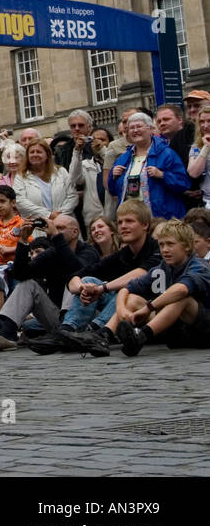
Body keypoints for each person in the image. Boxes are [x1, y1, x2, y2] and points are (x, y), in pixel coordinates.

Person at [47, 200, 161, 355]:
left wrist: (103, 288)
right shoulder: (124, 254)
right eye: (120, 222)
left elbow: (142, 274)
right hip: (126, 313)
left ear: (145, 225)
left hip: (151, 312)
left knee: (126, 290)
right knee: (88, 280)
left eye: (129, 221)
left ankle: (96, 332)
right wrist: (84, 288)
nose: (123, 226)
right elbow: (77, 275)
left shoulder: (157, 248)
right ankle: (66, 331)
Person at [0, 214, 89, 352]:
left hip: (82, 319)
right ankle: (6, 334)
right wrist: (23, 240)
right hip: (57, 318)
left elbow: (77, 269)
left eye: (60, 228)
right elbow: (21, 274)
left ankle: (67, 331)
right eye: (53, 227)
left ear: (75, 232)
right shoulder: (52, 254)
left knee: (75, 280)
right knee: (27, 285)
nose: (54, 231)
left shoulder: (87, 251)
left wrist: (56, 237)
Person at [111, 221, 210, 356]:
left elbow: (181, 290)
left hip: (204, 331)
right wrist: (121, 309)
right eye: (161, 245)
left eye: (170, 244)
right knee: (133, 299)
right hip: (178, 331)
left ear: (187, 246)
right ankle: (103, 335)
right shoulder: (162, 268)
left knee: (180, 298)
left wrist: (148, 308)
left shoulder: (200, 266)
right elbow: (127, 288)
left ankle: (140, 336)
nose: (164, 250)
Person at [108, 111, 190, 220]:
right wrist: (113, 177)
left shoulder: (166, 154)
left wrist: (162, 175)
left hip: (162, 217)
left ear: (151, 129)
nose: (135, 130)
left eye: (139, 126)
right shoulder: (123, 158)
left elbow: (183, 183)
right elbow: (113, 190)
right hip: (134, 219)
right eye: (131, 128)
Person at [13, 138, 77, 226]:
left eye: (39, 152)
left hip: (64, 224)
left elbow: (72, 196)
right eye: (32, 152)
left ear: (47, 154)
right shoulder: (21, 176)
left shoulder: (61, 172)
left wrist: (61, 215)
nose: (35, 154)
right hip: (37, 227)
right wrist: (48, 215)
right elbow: (20, 201)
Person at [0, 186, 24, 265]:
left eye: (2, 201)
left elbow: (28, 245)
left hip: (16, 266)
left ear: (13, 203)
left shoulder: (21, 223)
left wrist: (9, 249)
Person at [185, 105, 210, 209]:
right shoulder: (197, 146)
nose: (205, 125)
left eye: (209, 121)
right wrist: (206, 147)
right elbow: (193, 172)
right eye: (202, 122)